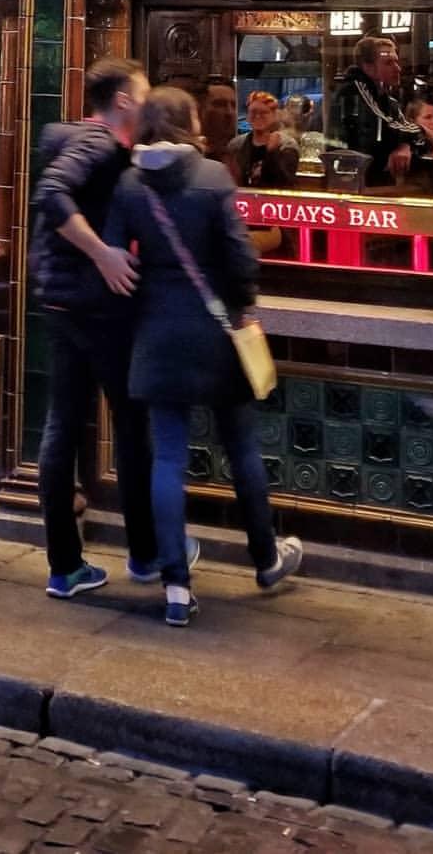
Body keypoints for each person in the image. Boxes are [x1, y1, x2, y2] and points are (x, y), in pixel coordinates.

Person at [106, 86, 303, 627]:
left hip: (156, 332)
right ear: (187, 122)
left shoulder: (129, 184)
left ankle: (175, 587)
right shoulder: (214, 177)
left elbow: (117, 259)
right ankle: (266, 559)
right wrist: (243, 308)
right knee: (241, 448)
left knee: (167, 458)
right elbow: (241, 259)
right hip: (216, 334)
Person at [31, 58, 181, 599]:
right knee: (131, 426)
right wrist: (103, 255)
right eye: (144, 92)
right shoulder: (96, 144)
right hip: (97, 308)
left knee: (63, 427)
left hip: (62, 302)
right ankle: (145, 554)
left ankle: (65, 567)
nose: (150, 102)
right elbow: (51, 193)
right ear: (123, 100)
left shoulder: (95, 146)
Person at [330, 36, 425, 188]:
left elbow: (405, 129)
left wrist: (405, 145)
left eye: (396, 62)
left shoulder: (388, 101)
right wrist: (422, 132)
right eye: (388, 63)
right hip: (354, 184)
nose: (398, 68)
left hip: (375, 183)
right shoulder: (354, 90)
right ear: (368, 67)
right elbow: (385, 128)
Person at [228, 92, 300, 189]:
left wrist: (272, 153)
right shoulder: (235, 145)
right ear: (247, 116)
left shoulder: (287, 146)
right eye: (253, 112)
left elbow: (285, 183)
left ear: (274, 115)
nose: (257, 116)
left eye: (263, 113)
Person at [198, 78, 237, 164]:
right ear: (200, 108)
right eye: (220, 104)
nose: (229, 112)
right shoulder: (190, 153)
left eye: (234, 105)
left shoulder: (243, 149)